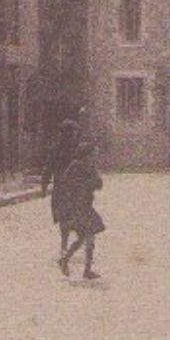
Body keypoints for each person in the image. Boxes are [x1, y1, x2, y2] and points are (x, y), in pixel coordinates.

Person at [56, 141, 105, 280]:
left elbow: (99, 183)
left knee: (84, 238)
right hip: (76, 207)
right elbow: (66, 184)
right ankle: (85, 269)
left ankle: (68, 261)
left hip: (86, 206)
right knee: (88, 238)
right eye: (93, 153)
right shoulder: (75, 166)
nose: (95, 156)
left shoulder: (91, 167)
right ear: (86, 154)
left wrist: (92, 183)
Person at [41, 118, 80, 255]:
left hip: (72, 189)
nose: (72, 135)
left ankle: (68, 245)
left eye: (74, 133)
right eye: (70, 133)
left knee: (71, 217)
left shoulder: (78, 150)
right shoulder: (58, 150)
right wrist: (44, 185)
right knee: (65, 217)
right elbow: (49, 168)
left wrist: (44, 186)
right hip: (64, 188)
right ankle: (64, 245)